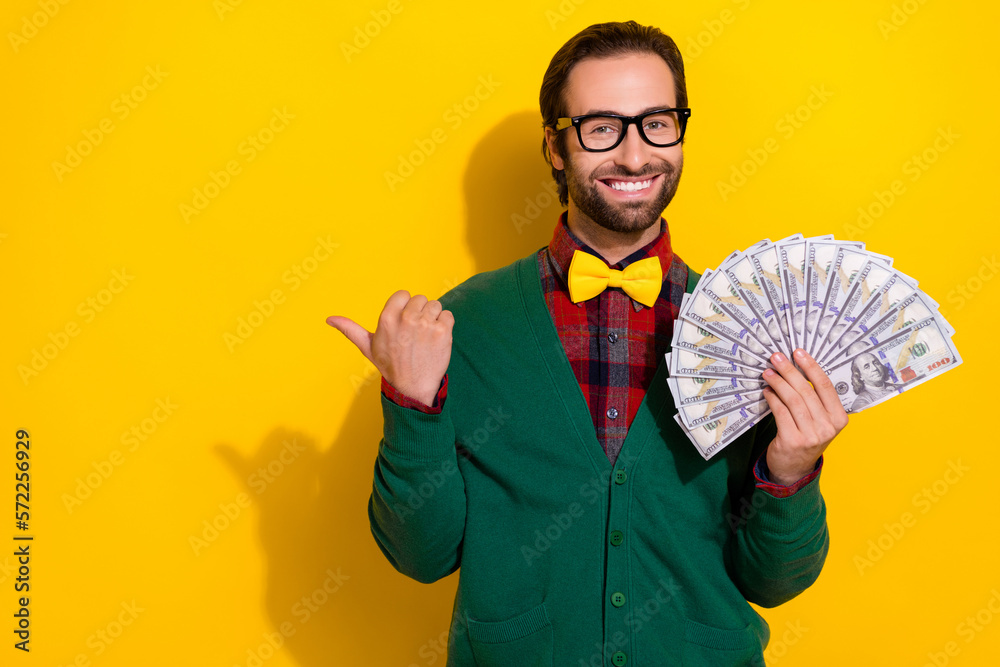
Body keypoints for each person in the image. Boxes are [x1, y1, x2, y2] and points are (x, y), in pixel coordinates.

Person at [328, 20, 849, 666]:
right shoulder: (463, 324)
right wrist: (412, 407)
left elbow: (774, 580)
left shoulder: (750, 329)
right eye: (602, 127)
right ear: (554, 146)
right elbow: (420, 555)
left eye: (657, 122)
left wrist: (793, 471)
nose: (635, 155)